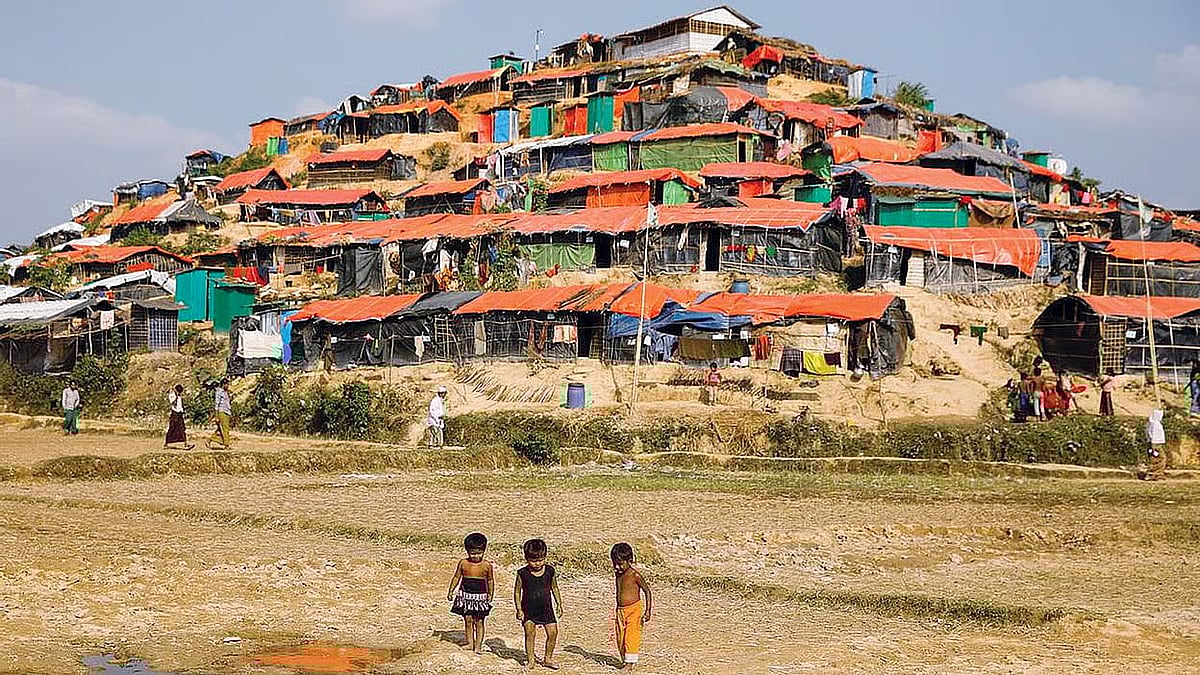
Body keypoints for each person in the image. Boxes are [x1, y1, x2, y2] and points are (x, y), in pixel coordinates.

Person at [514, 538, 562, 670]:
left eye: (541, 560)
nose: (537, 563)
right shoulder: (522, 573)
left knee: (553, 633)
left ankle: (548, 659)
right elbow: (517, 592)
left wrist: (559, 603)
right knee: (530, 633)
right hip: (528, 609)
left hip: (546, 609)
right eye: (533, 560)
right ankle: (530, 661)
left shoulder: (550, 571)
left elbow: (555, 588)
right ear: (526, 558)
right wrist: (519, 609)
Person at [446, 532, 494, 654]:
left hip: (480, 596)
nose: (476, 556)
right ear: (467, 551)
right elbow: (457, 577)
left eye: (479, 553)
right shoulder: (463, 563)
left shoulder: (486, 565)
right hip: (465, 595)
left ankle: (478, 645)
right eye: (472, 553)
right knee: (467, 620)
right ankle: (470, 643)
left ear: (484, 551)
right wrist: (451, 590)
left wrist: (490, 594)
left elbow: (490, 580)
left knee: (479, 621)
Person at [611, 542, 653, 670]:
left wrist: (648, 611)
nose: (617, 567)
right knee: (620, 636)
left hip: (634, 610)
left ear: (630, 561)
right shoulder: (618, 573)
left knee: (631, 636)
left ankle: (629, 664)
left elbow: (647, 591)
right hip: (620, 611)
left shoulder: (635, 575)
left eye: (620, 564)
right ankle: (625, 659)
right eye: (614, 564)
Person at [165, 384, 194, 450]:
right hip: (175, 414)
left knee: (182, 428)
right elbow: (172, 403)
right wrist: (175, 396)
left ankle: (185, 443)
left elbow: (180, 406)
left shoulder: (179, 396)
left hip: (179, 414)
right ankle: (167, 443)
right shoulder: (172, 395)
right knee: (172, 428)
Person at [207, 378, 233, 449]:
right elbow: (216, 405)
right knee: (225, 429)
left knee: (220, 429)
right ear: (223, 384)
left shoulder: (226, 392)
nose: (227, 386)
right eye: (226, 384)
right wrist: (216, 416)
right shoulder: (219, 392)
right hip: (222, 412)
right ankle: (226, 445)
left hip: (227, 411)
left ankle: (211, 439)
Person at [1145, 409, 1167, 481]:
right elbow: (1155, 436)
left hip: (1153, 444)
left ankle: (1157, 474)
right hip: (1156, 444)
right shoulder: (1156, 425)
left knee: (1155, 459)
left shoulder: (1150, 424)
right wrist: (1154, 447)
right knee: (1160, 458)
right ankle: (1155, 473)